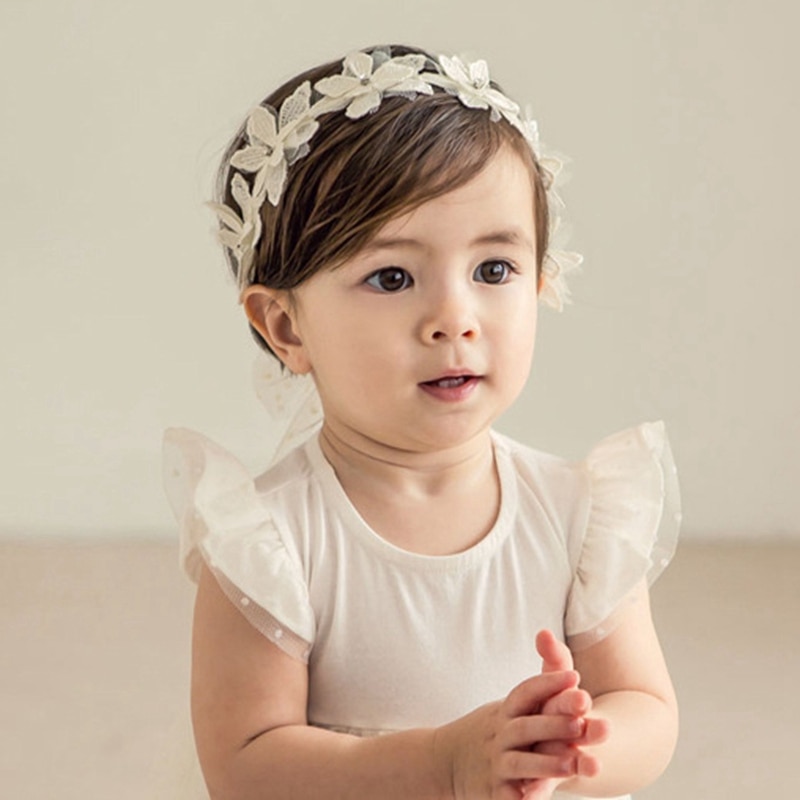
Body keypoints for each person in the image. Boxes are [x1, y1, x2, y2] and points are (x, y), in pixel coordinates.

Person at [163, 44, 681, 800]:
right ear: (286, 327)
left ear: (540, 279)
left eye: (494, 270)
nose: (453, 319)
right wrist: (443, 764)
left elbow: (648, 708)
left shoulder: (578, 514)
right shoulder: (270, 538)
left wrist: (570, 752)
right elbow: (247, 764)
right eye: (392, 277)